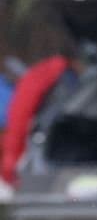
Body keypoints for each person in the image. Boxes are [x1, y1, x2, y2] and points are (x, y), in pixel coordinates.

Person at [1, 44, 84, 185]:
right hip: (44, 148)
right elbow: (20, 117)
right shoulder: (52, 76)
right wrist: (11, 161)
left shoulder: (49, 74)